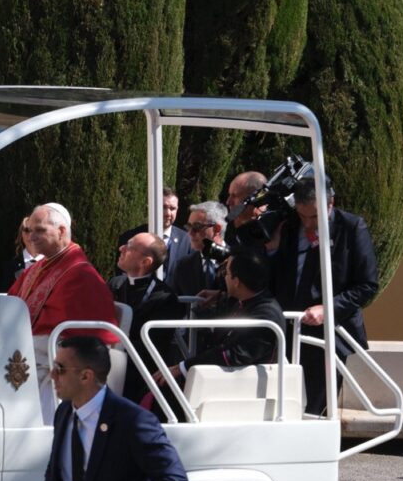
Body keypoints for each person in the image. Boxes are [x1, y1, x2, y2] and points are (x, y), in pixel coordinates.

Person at [32, 335, 189, 481]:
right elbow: (59, 467)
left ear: (86, 376)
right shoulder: (64, 412)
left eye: (60, 368)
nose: (52, 375)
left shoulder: (133, 421)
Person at [270, 177, 378, 415]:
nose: (308, 223)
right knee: (282, 407)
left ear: (330, 203)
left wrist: (327, 309)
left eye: (315, 216)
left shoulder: (351, 227)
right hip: (288, 330)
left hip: (326, 335)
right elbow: (278, 275)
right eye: (302, 216)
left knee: (313, 409)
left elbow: (367, 285)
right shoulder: (289, 226)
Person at [9, 203, 119, 421]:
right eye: (29, 230)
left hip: (58, 357)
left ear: (61, 231)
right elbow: (11, 304)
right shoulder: (36, 269)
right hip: (40, 349)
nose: (31, 237)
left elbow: (85, 339)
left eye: (39, 230)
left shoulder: (80, 273)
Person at [158, 246, 286, 389]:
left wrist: (182, 367)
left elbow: (231, 355)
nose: (224, 277)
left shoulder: (266, 316)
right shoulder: (250, 300)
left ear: (236, 281)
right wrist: (221, 295)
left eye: (227, 273)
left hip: (240, 388)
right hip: (226, 381)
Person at [109, 232, 182, 402]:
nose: (121, 248)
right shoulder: (115, 284)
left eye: (129, 247)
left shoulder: (165, 298)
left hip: (139, 375)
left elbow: (153, 346)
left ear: (145, 262)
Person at [116, 188, 192, 281]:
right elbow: (122, 274)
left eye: (172, 208)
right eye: (164, 207)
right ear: (152, 207)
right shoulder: (131, 237)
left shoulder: (187, 240)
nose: (168, 213)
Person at [167, 201, 228, 298]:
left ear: (216, 229)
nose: (190, 233)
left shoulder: (236, 260)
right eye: (189, 227)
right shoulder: (183, 265)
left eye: (196, 227)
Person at [0, 215, 42, 292]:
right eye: (27, 230)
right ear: (21, 234)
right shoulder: (10, 266)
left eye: (36, 230)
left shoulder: (53, 263)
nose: (31, 235)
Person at [224, 171, 268, 246]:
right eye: (229, 195)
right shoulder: (228, 232)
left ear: (257, 197)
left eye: (235, 196)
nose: (228, 202)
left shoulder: (279, 230)